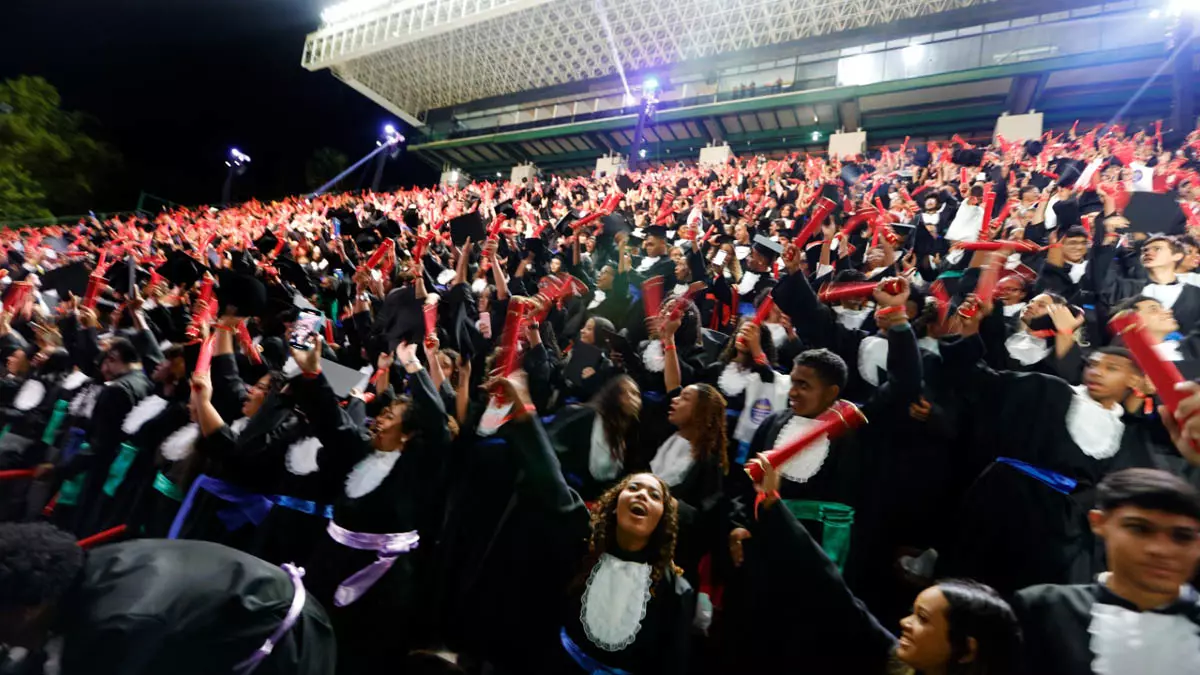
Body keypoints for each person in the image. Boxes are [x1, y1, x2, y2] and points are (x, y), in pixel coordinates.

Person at [727, 453, 1022, 674]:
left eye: (923, 619)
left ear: (967, 649)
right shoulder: (897, 660)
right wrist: (770, 502)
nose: (904, 624)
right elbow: (831, 588)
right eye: (913, 614)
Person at [0, 521, 336, 675]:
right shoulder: (77, 572)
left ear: (29, 609)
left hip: (286, 642)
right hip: (227, 611)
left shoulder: (118, 623)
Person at [1014, 468, 1200, 675]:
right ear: (1099, 522)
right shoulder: (1045, 608)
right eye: (1139, 529)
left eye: (1182, 536)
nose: (1160, 550)